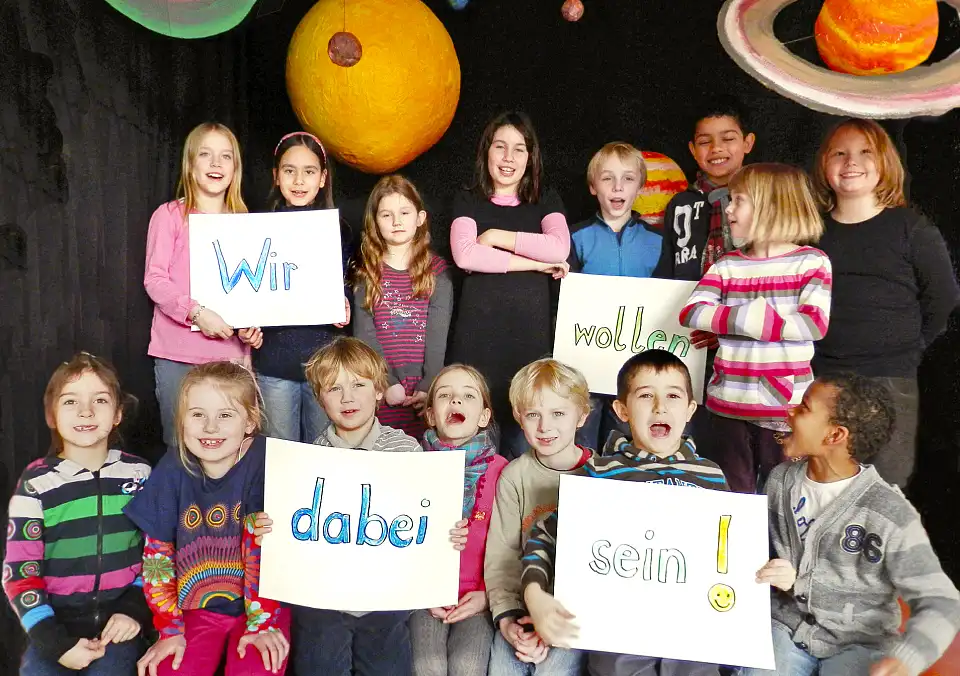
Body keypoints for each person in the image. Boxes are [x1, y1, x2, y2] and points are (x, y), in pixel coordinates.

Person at [268, 336, 468, 676]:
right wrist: (270, 527)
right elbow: (294, 534)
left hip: (385, 601)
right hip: (325, 601)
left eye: (358, 385)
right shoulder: (305, 462)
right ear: (319, 399)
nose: (347, 397)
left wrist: (446, 533)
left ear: (378, 391)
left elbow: (423, 523)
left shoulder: (406, 451)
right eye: (333, 389)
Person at [521, 350, 729, 676]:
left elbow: (727, 553)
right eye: (646, 395)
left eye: (673, 395)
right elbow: (546, 534)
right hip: (619, 640)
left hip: (691, 637)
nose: (660, 406)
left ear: (690, 410)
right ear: (622, 410)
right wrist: (535, 596)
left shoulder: (712, 476)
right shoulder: (600, 473)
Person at [746, 373, 960, 676]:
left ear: (834, 436)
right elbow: (752, 553)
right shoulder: (780, 481)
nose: (790, 411)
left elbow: (943, 601)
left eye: (804, 408)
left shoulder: (890, 512)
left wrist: (906, 659)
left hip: (860, 644)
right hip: (786, 630)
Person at [810, 118, 960, 488]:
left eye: (865, 153)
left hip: (889, 380)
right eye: (839, 153)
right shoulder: (811, 232)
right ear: (824, 164)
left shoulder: (911, 229)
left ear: (886, 163)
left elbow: (943, 299)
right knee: (823, 484)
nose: (851, 162)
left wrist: (909, 346)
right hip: (821, 378)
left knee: (884, 490)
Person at [124, 362, 290, 676]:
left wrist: (261, 624)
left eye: (225, 415)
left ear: (250, 421)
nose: (210, 427)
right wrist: (169, 628)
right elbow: (157, 557)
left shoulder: (266, 460)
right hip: (195, 610)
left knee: (257, 668)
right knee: (170, 670)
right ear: (181, 421)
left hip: (264, 607)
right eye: (198, 414)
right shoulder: (174, 467)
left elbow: (263, 551)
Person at [680, 163, 832, 494]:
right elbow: (693, 312)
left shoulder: (811, 262)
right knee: (733, 499)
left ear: (772, 205)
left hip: (785, 411)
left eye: (738, 200)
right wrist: (745, 319)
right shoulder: (727, 265)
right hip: (727, 408)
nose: (728, 209)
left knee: (786, 496)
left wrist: (742, 322)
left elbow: (813, 323)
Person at [4, 353, 152, 675]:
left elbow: (156, 556)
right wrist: (55, 643)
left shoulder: (140, 475)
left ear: (118, 414)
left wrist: (133, 611)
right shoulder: (36, 483)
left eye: (99, 400)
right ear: (52, 416)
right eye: (70, 402)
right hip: (53, 629)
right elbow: (19, 573)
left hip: (119, 628)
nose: (86, 411)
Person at [448, 111, 570, 458]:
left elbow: (559, 248)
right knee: (474, 461)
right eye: (500, 147)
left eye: (519, 149)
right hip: (477, 345)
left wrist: (497, 236)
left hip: (528, 348)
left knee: (524, 457)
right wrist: (536, 263)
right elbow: (467, 256)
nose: (508, 157)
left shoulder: (545, 199)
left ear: (530, 157)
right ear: (486, 152)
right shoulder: (468, 198)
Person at [144, 122, 260, 448]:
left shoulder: (246, 223)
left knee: (232, 450)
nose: (215, 164)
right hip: (177, 357)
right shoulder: (169, 216)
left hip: (230, 360)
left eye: (225, 156)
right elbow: (154, 280)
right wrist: (197, 313)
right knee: (180, 449)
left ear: (235, 168)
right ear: (190, 164)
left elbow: (250, 291)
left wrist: (250, 332)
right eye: (205, 155)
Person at [485, 359, 592, 675]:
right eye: (533, 415)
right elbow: (502, 556)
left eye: (558, 413)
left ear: (582, 415)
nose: (545, 426)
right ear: (520, 418)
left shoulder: (605, 476)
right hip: (521, 607)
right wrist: (507, 619)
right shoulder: (514, 477)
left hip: (574, 613)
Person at [251, 131, 353, 443]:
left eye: (309, 172)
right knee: (279, 457)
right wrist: (247, 323)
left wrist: (345, 303)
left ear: (322, 178)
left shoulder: (338, 230)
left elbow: (345, 284)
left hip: (323, 363)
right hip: (273, 361)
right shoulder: (254, 228)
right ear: (276, 176)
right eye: (289, 171)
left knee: (324, 451)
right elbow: (249, 288)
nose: (298, 180)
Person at [409, 364, 508, 676]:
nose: (456, 402)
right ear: (430, 415)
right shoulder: (410, 464)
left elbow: (509, 543)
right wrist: (418, 589)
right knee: (428, 665)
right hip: (421, 594)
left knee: (468, 666)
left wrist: (486, 594)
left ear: (483, 417)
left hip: (477, 598)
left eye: (468, 396)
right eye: (445, 395)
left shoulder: (502, 471)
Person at [568, 141, 661, 450]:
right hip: (587, 362)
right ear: (594, 187)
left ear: (641, 187)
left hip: (636, 362)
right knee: (582, 439)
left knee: (628, 440)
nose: (618, 186)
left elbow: (667, 302)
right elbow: (565, 300)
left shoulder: (658, 241)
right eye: (608, 178)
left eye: (628, 178)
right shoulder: (575, 236)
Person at [353, 175, 453, 440]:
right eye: (386, 215)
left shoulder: (437, 272)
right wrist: (387, 382)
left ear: (420, 218)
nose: (397, 221)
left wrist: (428, 385)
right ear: (375, 222)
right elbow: (365, 335)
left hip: (422, 396)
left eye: (404, 212)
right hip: (383, 390)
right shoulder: (367, 274)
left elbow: (437, 335)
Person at [654, 98, 756, 281]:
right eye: (704, 142)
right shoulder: (680, 204)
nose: (716, 148)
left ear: (747, 143)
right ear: (692, 150)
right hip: (688, 303)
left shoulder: (762, 196)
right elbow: (666, 267)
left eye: (728, 139)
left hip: (747, 300)